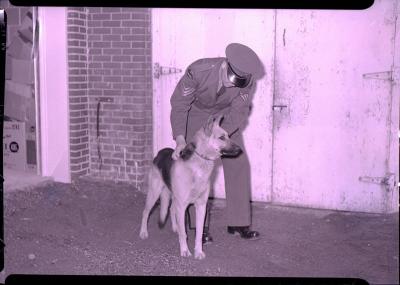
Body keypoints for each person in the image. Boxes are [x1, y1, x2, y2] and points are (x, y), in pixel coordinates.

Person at [170, 43, 263, 243]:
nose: (232, 85)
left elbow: (239, 112)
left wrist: (221, 137)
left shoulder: (246, 81)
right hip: (196, 115)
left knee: (239, 163)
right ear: (224, 65)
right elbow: (179, 105)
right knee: (193, 167)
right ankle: (198, 228)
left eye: (237, 83)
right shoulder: (198, 71)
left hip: (224, 119)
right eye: (230, 80)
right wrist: (179, 139)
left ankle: (239, 223)